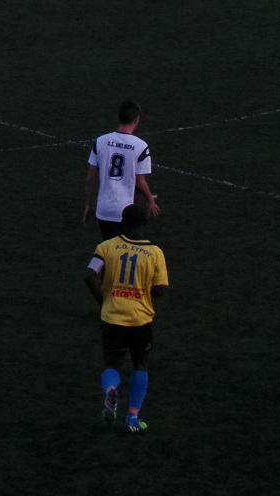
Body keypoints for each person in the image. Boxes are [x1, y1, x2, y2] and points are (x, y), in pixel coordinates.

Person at [85, 204, 169, 432]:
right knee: (140, 364)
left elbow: (90, 274)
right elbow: (161, 289)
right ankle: (133, 416)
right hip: (141, 319)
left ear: (122, 222)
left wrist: (102, 300)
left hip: (112, 316)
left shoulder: (107, 247)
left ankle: (111, 389)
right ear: (144, 223)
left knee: (112, 363)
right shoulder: (155, 252)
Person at [84, 101, 160, 240]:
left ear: (118, 117)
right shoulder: (141, 146)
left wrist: (89, 204)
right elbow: (140, 181)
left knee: (108, 248)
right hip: (127, 212)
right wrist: (150, 198)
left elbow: (90, 178)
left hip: (104, 210)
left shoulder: (100, 141)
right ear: (136, 120)